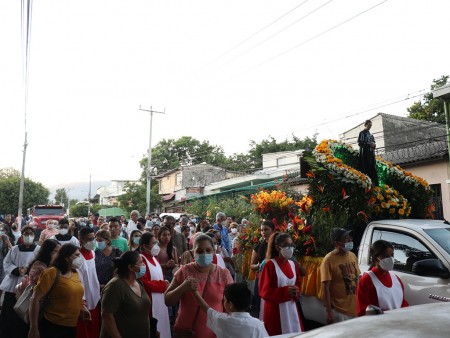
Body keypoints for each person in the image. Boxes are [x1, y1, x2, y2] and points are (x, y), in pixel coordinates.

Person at [165, 234, 233, 338]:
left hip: (214, 333)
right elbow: (167, 300)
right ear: (193, 252)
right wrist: (181, 288)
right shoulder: (184, 271)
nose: (204, 254)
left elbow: (231, 306)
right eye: (200, 251)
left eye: (208, 250)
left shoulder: (223, 274)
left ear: (214, 252)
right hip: (186, 332)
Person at [28, 244, 90, 338]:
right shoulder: (52, 272)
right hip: (52, 325)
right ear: (66, 258)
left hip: (71, 326)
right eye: (76, 255)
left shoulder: (75, 273)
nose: (80, 258)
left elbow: (74, 294)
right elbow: (35, 299)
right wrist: (33, 327)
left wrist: (82, 307)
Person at [259, 232, 303, 335]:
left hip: (292, 308)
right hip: (275, 311)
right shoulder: (269, 265)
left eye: (292, 245)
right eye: (287, 245)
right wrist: (285, 291)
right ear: (278, 247)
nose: (290, 248)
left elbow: (298, 283)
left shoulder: (293, 264)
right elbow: (264, 291)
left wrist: (296, 290)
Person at [100, 251, 152, 338]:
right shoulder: (115, 286)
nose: (144, 265)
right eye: (141, 263)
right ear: (131, 267)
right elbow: (107, 316)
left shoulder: (138, 282)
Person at [0, 226, 40, 337]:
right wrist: (17, 270)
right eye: (26, 234)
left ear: (34, 235)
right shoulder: (15, 249)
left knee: (25, 311)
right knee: (9, 311)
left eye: (30, 234)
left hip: (30, 283)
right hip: (13, 284)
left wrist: (31, 272)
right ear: (22, 235)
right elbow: (6, 263)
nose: (28, 236)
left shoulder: (38, 250)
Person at [192, 282, 268, 338]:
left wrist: (194, 291)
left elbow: (205, 307)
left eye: (224, 300)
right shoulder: (258, 325)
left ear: (231, 304)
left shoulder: (221, 320)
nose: (223, 302)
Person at [356, 240, 409, 316]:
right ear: (375, 258)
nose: (390, 259)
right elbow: (362, 311)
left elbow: (403, 303)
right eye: (385, 256)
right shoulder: (366, 281)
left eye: (392, 255)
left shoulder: (396, 279)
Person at [320, 228, 361, 324]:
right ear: (336, 243)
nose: (350, 240)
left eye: (349, 237)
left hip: (356, 309)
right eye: (346, 238)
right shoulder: (328, 260)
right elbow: (325, 288)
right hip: (340, 312)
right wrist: (329, 313)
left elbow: (358, 279)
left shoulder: (352, 255)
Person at [139, 232, 171, 338]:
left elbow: (158, 276)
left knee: (163, 324)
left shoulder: (154, 258)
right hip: (150, 300)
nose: (156, 246)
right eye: (154, 243)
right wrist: (162, 285)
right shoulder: (141, 259)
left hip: (161, 298)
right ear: (144, 246)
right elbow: (143, 282)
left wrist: (164, 281)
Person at [76, 227, 101, 338]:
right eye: (89, 239)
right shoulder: (78, 258)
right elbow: (79, 281)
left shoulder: (93, 253)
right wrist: (83, 302)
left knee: (94, 328)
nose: (92, 242)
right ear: (81, 241)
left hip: (95, 297)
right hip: (84, 299)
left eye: (93, 238)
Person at [250, 220, 275, 318]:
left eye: (266, 230)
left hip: (275, 280)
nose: (263, 232)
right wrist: (259, 265)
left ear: (273, 230)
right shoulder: (258, 247)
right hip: (261, 279)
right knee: (261, 308)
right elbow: (252, 266)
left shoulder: (278, 246)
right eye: (261, 230)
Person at [358, 119, 379, 186]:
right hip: (365, 154)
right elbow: (360, 143)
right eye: (369, 125)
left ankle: (374, 183)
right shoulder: (362, 133)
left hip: (371, 154)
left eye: (371, 125)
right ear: (366, 125)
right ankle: (368, 182)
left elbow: (374, 142)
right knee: (367, 169)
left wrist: (374, 145)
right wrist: (368, 145)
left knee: (373, 169)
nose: (370, 127)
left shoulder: (370, 134)